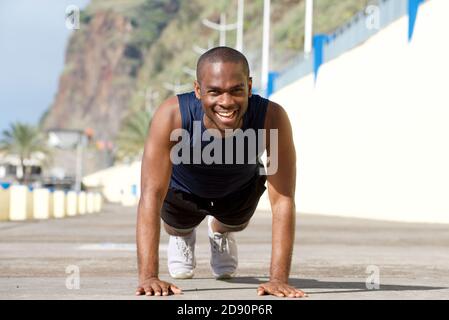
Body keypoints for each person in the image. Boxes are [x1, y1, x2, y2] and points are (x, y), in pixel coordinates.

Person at [136, 46, 306, 298]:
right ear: (198, 90)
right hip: (183, 191)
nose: (226, 102)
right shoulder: (172, 115)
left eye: (236, 90)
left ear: (249, 87)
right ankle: (183, 237)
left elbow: (282, 200)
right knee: (178, 226)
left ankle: (220, 232)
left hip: (238, 190)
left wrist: (278, 279)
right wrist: (149, 276)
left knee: (235, 222)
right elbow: (151, 195)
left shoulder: (272, 117)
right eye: (214, 92)